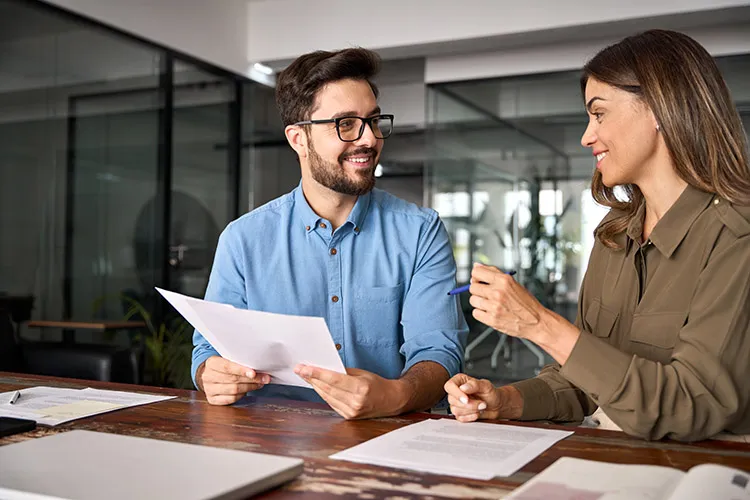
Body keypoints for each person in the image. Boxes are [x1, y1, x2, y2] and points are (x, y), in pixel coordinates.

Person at [445, 29, 750, 441]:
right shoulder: (614, 236)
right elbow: (584, 381)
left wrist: (539, 324)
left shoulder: (736, 237)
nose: (587, 136)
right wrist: (506, 401)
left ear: (660, 107)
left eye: (599, 113)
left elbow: (691, 406)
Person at [192, 48, 468, 418]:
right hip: (268, 439)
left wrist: (395, 395)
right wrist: (210, 374)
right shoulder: (243, 240)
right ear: (298, 139)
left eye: (373, 121)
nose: (369, 139)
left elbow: (438, 349)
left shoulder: (420, 232)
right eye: (346, 124)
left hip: (385, 438)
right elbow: (207, 351)